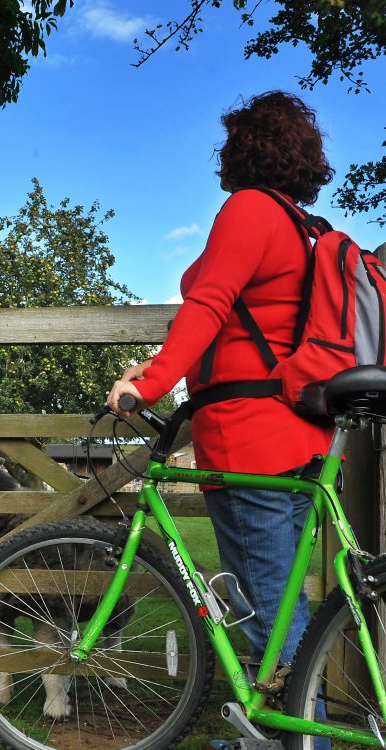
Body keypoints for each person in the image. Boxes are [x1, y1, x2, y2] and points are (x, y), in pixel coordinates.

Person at [108, 91, 335, 668]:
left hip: (249, 440)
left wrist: (150, 384)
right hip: (295, 435)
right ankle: (294, 731)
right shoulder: (300, 225)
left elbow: (209, 303)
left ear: (243, 148)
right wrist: (155, 368)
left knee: (267, 610)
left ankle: (302, 736)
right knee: (282, 605)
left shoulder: (251, 210)